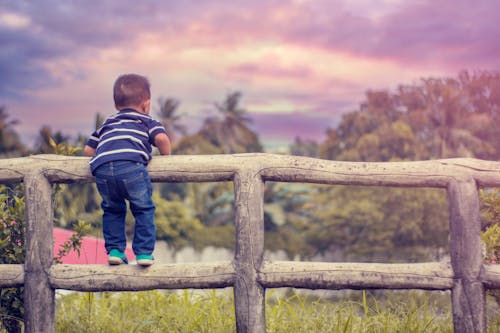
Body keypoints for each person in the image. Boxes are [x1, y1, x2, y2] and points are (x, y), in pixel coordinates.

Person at [83, 73, 171, 266]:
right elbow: (162, 139)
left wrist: (108, 155)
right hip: (131, 167)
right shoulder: (147, 121)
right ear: (146, 104)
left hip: (102, 170)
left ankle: (115, 250)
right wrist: (167, 158)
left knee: (112, 209)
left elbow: (88, 150)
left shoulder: (107, 122)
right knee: (143, 209)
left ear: (116, 105)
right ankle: (144, 253)